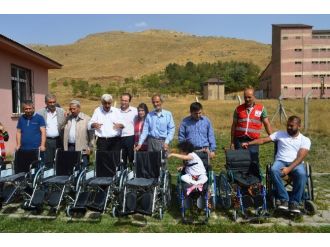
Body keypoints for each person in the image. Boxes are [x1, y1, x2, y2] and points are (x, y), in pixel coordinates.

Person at [242, 116, 310, 213]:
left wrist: (288, 169)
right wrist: (249, 143)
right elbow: (263, 140)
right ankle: (284, 199)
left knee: (302, 174)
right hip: (281, 161)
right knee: (273, 170)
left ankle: (294, 202)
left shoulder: (305, 140)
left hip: (295, 163)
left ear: (299, 126)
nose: (289, 128)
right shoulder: (279, 134)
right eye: (288, 125)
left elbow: (300, 158)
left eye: (292, 126)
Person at [230, 86, 272, 175]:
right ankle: (241, 184)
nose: (247, 99)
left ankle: (255, 183)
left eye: (249, 97)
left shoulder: (261, 109)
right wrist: (232, 142)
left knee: (254, 162)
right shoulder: (238, 109)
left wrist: (272, 136)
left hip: (253, 141)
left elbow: (266, 123)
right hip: (239, 140)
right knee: (240, 162)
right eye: (245, 97)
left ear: (254, 96)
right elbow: (234, 125)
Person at [63, 100, 94, 168]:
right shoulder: (68, 118)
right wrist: (65, 118)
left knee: (83, 168)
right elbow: (61, 128)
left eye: (74, 109)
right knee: (71, 167)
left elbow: (92, 135)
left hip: (82, 147)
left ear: (79, 108)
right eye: (71, 109)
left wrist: (90, 147)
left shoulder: (87, 119)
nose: (72, 111)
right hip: (70, 147)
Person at [37, 94, 65, 167]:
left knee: (59, 160)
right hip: (47, 141)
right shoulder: (40, 113)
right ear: (46, 102)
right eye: (50, 102)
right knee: (47, 161)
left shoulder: (61, 111)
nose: (52, 104)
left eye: (54, 102)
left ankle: (58, 176)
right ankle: (48, 176)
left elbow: (66, 123)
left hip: (59, 140)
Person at [119, 93, 138, 165]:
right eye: (122, 100)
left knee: (131, 158)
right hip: (119, 138)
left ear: (129, 101)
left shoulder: (135, 111)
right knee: (121, 158)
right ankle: (123, 173)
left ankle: (132, 173)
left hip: (131, 137)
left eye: (126, 101)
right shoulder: (116, 111)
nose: (124, 102)